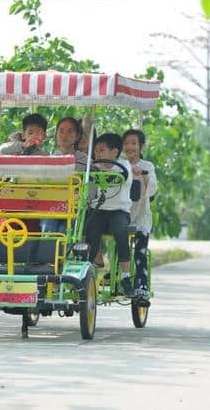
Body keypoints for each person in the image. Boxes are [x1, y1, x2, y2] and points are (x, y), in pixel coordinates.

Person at [85, 133, 135, 297]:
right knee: (89, 231)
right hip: (99, 210)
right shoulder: (93, 167)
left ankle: (125, 276)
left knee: (121, 232)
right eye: (96, 150)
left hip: (118, 211)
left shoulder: (124, 165)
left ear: (114, 152)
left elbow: (122, 178)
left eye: (101, 150)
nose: (97, 153)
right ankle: (88, 270)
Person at [122, 129, 157, 300]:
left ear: (141, 146)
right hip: (122, 214)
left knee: (140, 251)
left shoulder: (147, 166)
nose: (130, 147)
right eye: (127, 143)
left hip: (141, 215)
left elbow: (152, 190)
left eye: (134, 143)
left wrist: (143, 177)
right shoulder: (119, 165)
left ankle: (142, 284)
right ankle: (121, 274)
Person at [41, 117, 88, 234]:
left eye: (70, 131)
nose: (64, 135)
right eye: (61, 131)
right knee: (48, 228)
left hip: (74, 206)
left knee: (65, 231)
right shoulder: (49, 159)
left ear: (77, 136)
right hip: (52, 205)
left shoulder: (84, 160)